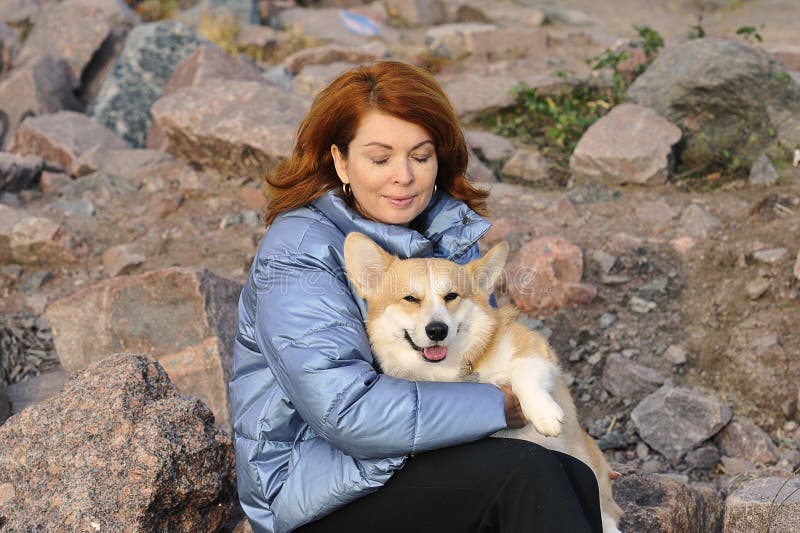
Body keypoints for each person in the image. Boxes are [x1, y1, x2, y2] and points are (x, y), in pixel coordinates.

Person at [229, 60, 603, 533]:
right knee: (526, 475)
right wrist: (501, 406)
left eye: (421, 157)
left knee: (573, 475)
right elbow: (346, 414)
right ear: (341, 161)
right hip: (316, 495)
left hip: (405, 461)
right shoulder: (298, 255)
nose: (403, 176)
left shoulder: (441, 233)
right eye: (381, 159)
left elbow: (478, 353)